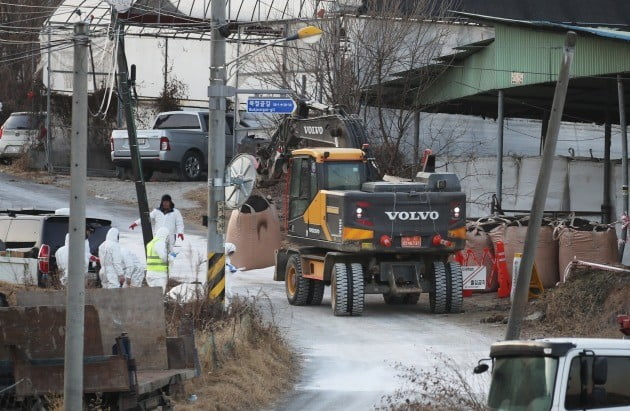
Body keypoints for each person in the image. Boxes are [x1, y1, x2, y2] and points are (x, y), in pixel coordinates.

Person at [145, 227, 170, 293]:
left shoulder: (150, 243)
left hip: (150, 273)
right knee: (159, 296)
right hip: (158, 275)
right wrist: (171, 256)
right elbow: (164, 258)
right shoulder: (160, 243)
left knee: (154, 296)